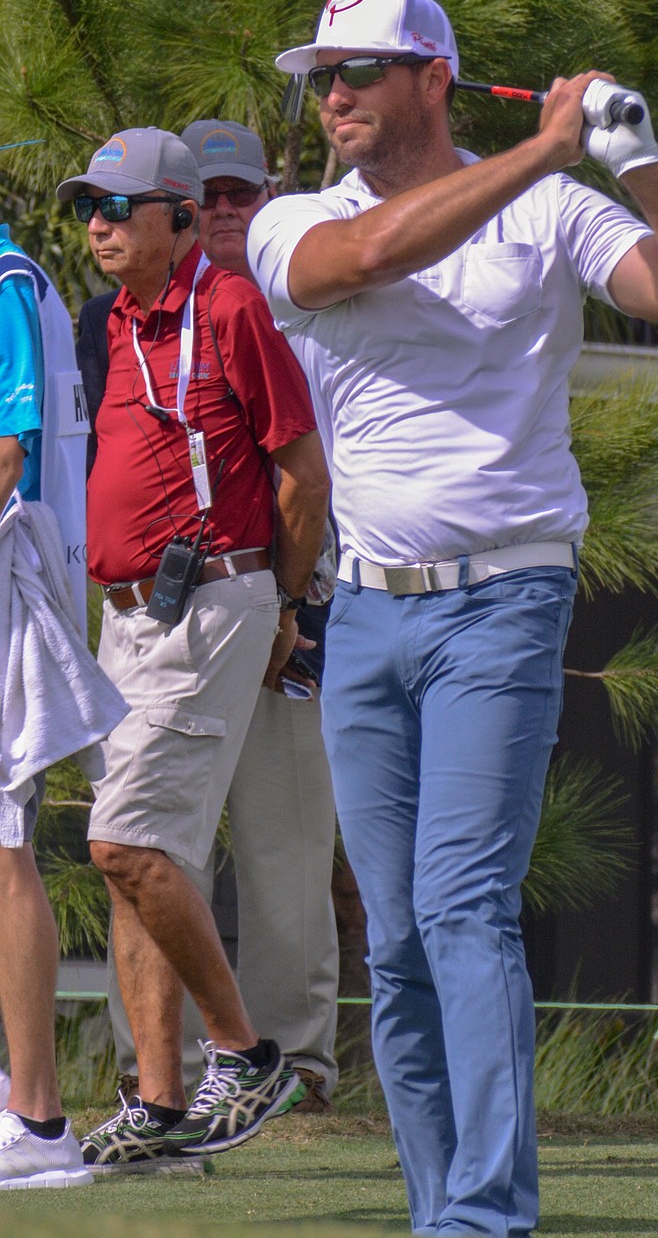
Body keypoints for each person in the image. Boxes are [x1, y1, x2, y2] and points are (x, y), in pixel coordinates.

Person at [248, 0, 658, 1236]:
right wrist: (546, 146)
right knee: (401, 941)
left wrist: (633, 163)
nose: (337, 95)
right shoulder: (292, 219)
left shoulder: (551, 213)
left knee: (465, 907)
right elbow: (365, 258)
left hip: (504, 604)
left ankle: (484, 1216)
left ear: (434, 77)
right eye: (323, 75)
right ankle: (442, 1210)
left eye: (361, 70)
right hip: (361, 617)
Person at [55, 126, 331, 1171]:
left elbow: (299, 470)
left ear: (177, 218)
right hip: (125, 615)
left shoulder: (227, 305)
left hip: (214, 599)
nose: (100, 225)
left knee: (126, 845)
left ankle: (246, 1052)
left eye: (119, 209)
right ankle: (160, 1102)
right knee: (135, 863)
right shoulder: (119, 318)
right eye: (93, 207)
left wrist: (286, 603)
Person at [0, 218, 128, 1189]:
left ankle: (41, 1124)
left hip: (13, 585)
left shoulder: (4, 276)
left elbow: (9, 448)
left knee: (3, 853)